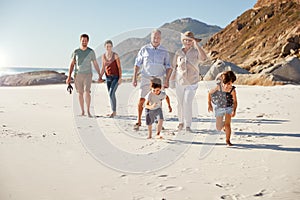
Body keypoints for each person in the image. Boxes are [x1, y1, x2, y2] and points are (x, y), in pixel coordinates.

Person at [132, 29, 172, 130]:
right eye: (154, 37)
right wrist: (134, 78)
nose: (156, 39)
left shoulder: (164, 51)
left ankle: (158, 121)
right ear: (151, 38)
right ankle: (139, 120)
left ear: (161, 39)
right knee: (142, 99)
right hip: (146, 77)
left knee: (158, 100)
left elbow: (168, 67)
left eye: (158, 37)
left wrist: (167, 80)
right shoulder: (144, 49)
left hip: (159, 78)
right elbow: (137, 64)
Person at [171, 31, 207, 132]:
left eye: (190, 40)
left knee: (187, 102)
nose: (187, 42)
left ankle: (188, 125)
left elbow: (204, 58)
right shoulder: (178, 52)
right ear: (183, 40)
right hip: (180, 82)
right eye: (186, 40)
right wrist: (170, 80)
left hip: (192, 82)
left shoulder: (196, 52)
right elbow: (174, 67)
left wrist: (197, 45)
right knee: (180, 103)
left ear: (193, 41)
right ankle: (180, 122)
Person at [66, 34, 101, 117]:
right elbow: (72, 65)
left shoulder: (91, 52)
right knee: (80, 93)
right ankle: (82, 111)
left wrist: (100, 74)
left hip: (88, 74)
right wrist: (68, 77)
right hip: (78, 75)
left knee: (87, 92)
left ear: (88, 41)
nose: (84, 42)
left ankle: (88, 111)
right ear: (80, 41)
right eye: (83, 40)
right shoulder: (76, 52)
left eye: (85, 40)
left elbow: (95, 64)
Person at [208, 70, 238, 146]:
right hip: (219, 107)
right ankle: (223, 126)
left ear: (232, 82)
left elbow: (235, 101)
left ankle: (228, 140)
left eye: (229, 83)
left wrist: (234, 110)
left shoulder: (232, 90)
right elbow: (210, 93)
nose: (227, 86)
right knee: (218, 127)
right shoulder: (218, 87)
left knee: (228, 125)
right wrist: (209, 104)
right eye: (225, 83)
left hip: (228, 107)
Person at [99, 40, 122, 118]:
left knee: (111, 93)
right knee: (111, 95)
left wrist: (120, 78)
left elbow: (119, 67)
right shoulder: (103, 56)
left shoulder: (115, 55)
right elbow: (103, 67)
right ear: (105, 47)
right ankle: (113, 111)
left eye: (110, 46)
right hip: (108, 78)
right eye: (107, 46)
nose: (108, 48)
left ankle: (114, 112)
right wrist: (100, 76)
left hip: (115, 77)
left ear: (112, 47)